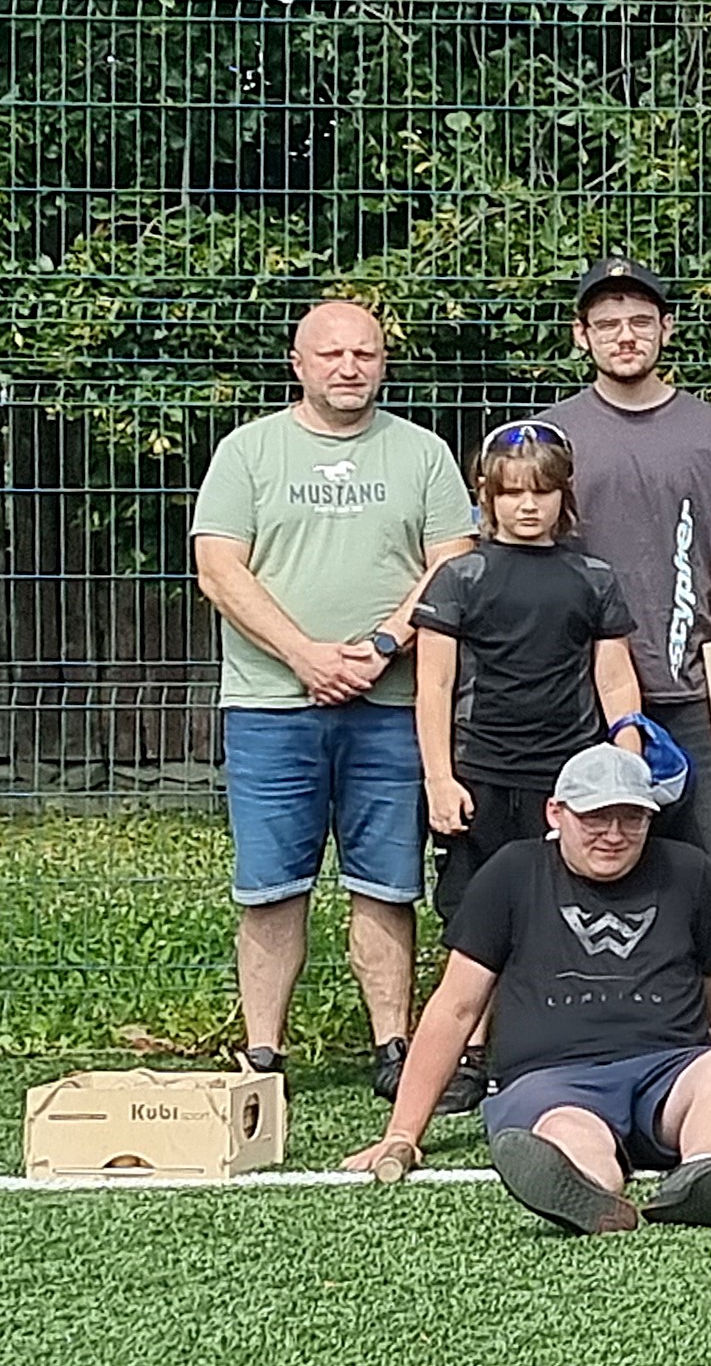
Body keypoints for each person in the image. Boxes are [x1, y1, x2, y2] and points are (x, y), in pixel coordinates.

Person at [191, 299, 476, 1094]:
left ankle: (394, 1048)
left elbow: (452, 563)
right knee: (270, 887)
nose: (349, 367)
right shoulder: (248, 452)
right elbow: (219, 569)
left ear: (383, 362)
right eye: (331, 354)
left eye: (365, 353)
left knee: (386, 883)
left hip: (390, 705)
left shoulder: (422, 454)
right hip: (271, 705)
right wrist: (305, 656)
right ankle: (263, 1056)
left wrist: (383, 644)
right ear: (298, 363)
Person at [344, 744, 711, 1234]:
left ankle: (703, 1176)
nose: (614, 835)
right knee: (566, 1129)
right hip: (553, 1082)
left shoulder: (688, 871)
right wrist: (403, 1132)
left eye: (632, 818)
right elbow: (456, 1008)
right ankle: (592, 1191)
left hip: (670, 1074)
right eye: (595, 818)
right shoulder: (512, 872)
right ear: (556, 813)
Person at [541, 257, 711, 961]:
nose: (625, 336)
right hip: (579, 692)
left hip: (690, 687)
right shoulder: (552, 435)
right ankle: (595, 994)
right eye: (607, 323)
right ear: (581, 335)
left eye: (640, 321)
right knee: (590, 853)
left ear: (666, 329)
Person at [413, 423, 644, 955]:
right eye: (512, 492)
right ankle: (475, 1013)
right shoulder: (460, 577)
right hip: (480, 774)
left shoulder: (593, 577)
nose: (527, 505)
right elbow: (434, 684)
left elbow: (615, 679)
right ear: (487, 498)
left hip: (566, 775)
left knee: (563, 906)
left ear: (564, 495)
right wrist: (439, 780)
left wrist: (628, 765)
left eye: (542, 491)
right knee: (473, 913)